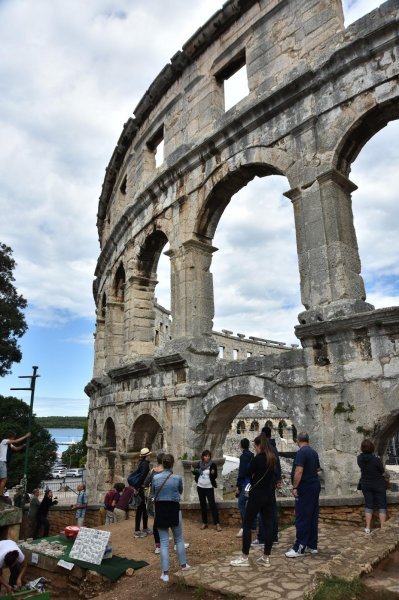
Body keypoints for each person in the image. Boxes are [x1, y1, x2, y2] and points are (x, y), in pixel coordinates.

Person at [230, 432, 277, 568]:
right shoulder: (272, 458)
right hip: (269, 495)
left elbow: (248, 473)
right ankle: (266, 557)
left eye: (255, 446)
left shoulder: (258, 459)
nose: (255, 449)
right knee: (268, 525)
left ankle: (245, 556)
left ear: (258, 446)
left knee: (247, 524)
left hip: (257, 495)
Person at [151, 454, 190, 582]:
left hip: (161, 509)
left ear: (162, 463)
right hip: (174, 508)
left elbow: (152, 493)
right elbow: (180, 491)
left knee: (163, 542)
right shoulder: (177, 478)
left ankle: (165, 573)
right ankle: (184, 565)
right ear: (172, 464)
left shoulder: (155, 478)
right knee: (179, 539)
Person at [285, 432, 321, 558]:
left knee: (302, 517)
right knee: (312, 516)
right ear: (308, 440)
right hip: (314, 486)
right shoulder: (313, 452)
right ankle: (312, 545)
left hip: (305, 488)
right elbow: (316, 469)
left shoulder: (301, 452)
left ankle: (299, 547)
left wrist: (295, 487)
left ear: (297, 440)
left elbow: (299, 470)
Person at [252, 426, 282, 547]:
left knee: (262, 512)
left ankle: (262, 538)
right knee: (272, 511)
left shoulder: (266, 450)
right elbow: (277, 466)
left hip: (265, 485)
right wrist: (277, 479)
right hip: (271, 483)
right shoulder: (274, 448)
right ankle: (273, 537)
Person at [357, 438, 387, 534]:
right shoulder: (376, 459)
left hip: (366, 484)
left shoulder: (359, 458)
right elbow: (382, 471)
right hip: (378, 484)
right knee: (382, 505)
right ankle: (382, 527)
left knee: (368, 505)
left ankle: (368, 527)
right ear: (372, 448)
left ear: (362, 448)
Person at [192, 450, 221, 531]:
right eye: (205, 456)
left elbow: (215, 476)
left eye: (208, 456)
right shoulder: (199, 464)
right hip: (200, 486)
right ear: (203, 457)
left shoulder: (212, 464)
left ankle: (217, 523)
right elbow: (195, 472)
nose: (207, 457)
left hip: (209, 487)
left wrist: (212, 473)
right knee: (203, 505)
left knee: (212, 505)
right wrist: (194, 470)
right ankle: (204, 523)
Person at [144, 452, 164, 553]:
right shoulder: (168, 472)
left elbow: (146, 483)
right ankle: (175, 542)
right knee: (168, 520)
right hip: (165, 499)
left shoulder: (153, 471)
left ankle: (158, 545)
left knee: (156, 522)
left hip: (154, 499)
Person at [0, 431, 31, 496]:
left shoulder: (9, 444)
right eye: (14, 437)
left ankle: (1, 493)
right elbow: (16, 441)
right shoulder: (4, 441)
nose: (14, 438)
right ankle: (1, 494)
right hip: (2, 462)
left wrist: (22, 446)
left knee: (2, 479)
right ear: (12, 437)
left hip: (3, 462)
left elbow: (16, 449)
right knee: (4, 479)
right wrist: (26, 436)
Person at [235, 438, 254, 537]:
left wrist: (238, 485)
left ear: (241, 445)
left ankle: (245, 526)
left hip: (245, 484)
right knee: (250, 504)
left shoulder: (243, 456)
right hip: (251, 483)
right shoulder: (252, 455)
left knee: (241, 504)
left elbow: (242, 472)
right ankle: (253, 525)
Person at [132, 448, 151, 538]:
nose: (150, 456)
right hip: (142, 490)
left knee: (143, 509)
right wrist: (139, 487)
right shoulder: (145, 464)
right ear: (146, 456)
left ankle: (144, 528)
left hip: (140, 489)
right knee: (141, 509)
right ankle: (138, 530)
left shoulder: (142, 463)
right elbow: (142, 477)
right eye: (149, 455)